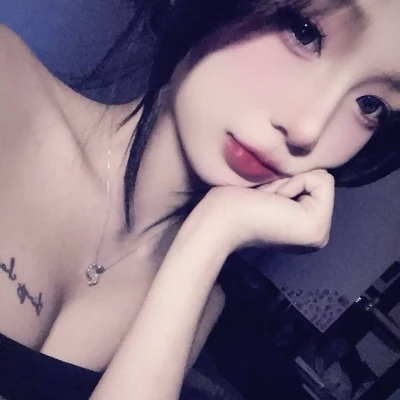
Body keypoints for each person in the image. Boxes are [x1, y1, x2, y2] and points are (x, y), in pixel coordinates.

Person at [0, 0, 399, 399]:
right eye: (304, 31)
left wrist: (213, 233)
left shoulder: (199, 299)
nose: (307, 128)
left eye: (371, 104)